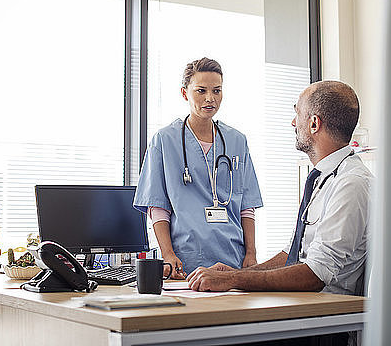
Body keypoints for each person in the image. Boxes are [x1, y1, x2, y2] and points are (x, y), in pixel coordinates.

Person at [187, 80, 372, 296]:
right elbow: (292, 254)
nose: (293, 122)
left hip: (323, 317)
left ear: (314, 124)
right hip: (300, 304)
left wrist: (233, 279)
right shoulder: (322, 178)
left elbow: (316, 274)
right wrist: (235, 274)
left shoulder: (351, 184)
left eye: (298, 113)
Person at [133, 57, 263, 278]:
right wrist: (167, 255)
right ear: (185, 93)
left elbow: (246, 206)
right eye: (201, 91)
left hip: (233, 257)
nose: (210, 98)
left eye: (217, 91)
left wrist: (251, 253)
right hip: (185, 260)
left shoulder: (237, 141)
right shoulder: (164, 140)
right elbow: (157, 206)